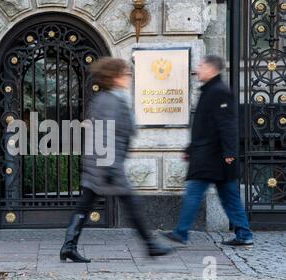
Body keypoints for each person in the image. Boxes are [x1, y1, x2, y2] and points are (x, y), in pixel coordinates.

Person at [60, 57, 174, 263]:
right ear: (114, 77)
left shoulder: (110, 98)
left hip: (103, 164)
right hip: (107, 165)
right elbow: (105, 134)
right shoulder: (110, 100)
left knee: (85, 205)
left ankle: (69, 246)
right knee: (131, 203)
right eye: (125, 74)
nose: (128, 77)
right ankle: (150, 245)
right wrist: (110, 167)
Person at [162, 55, 254, 247]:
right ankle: (244, 234)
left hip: (215, 157)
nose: (198, 69)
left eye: (201, 66)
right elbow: (205, 127)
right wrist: (190, 148)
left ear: (212, 70)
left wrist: (229, 153)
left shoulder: (219, 92)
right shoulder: (211, 91)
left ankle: (181, 232)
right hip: (210, 155)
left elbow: (227, 124)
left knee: (195, 193)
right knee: (229, 197)